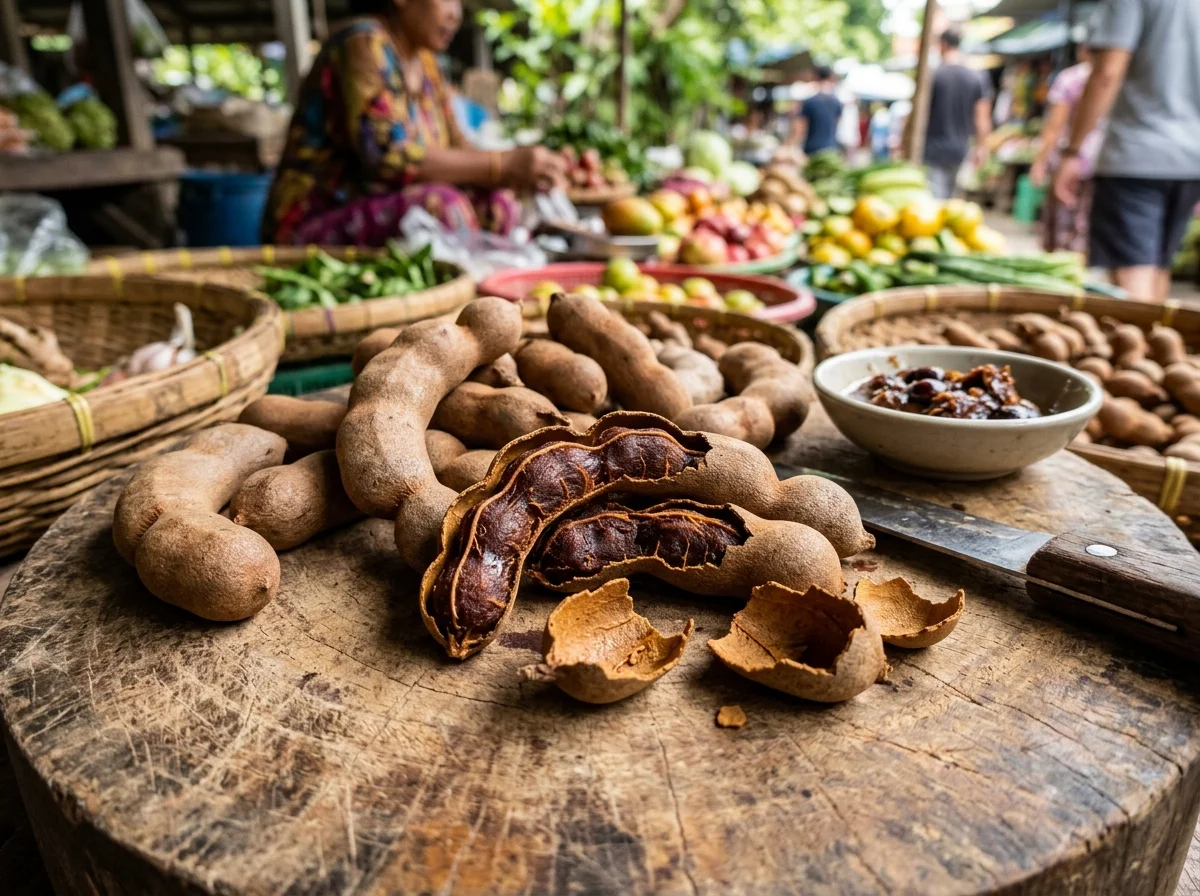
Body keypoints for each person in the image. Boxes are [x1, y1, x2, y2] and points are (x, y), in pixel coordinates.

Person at [262, 0, 566, 246]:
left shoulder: (428, 65)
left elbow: (460, 146)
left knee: (498, 204)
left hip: (383, 207)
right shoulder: (363, 43)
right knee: (443, 207)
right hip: (312, 222)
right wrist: (503, 164)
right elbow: (390, 157)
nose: (455, 14)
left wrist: (521, 173)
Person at [1054, 0, 1200, 303]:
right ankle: (1158, 345)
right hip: (1191, 159)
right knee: (1158, 267)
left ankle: (1141, 349)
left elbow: (1107, 72)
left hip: (1136, 155)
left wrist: (1072, 152)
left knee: (1132, 271)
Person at [1030, 45, 1100, 253]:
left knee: (1060, 233)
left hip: (1069, 162)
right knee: (1085, 229)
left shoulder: (1071, 78)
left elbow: (1054, 126)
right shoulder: (1120, 79)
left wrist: (1040, 161)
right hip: (1101, 163)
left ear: (1083, 50)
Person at [923, 28, 992, 200]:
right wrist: (982, 148)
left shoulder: (934, 75)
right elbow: (982, 119)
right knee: (952, 202)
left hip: (933, 148)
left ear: (943, 45)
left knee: (934, 200)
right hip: (960, 149)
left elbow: (919, 115)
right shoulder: (976, 77)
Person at [793, 65, 842, 156]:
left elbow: (800, 127)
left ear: (815, 76)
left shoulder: (809, 100)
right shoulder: (836, 101)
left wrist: (792, 146)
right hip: (831, 147)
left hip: (812, 149)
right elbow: (837, 122)